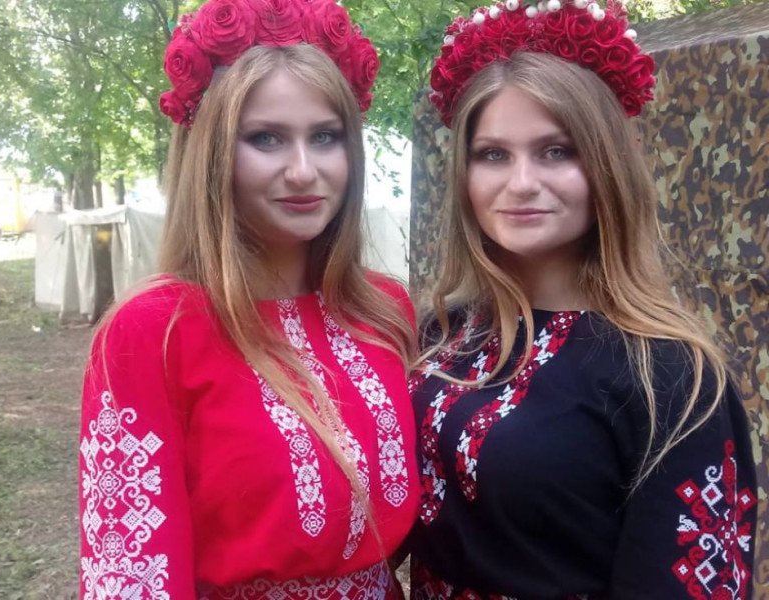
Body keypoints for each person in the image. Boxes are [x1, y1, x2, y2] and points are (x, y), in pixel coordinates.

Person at [408, 1, 757, 598]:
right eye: (493, 154)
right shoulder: (442, 333)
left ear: (607, 166)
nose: (521, 183)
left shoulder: (672, 376)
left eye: (557, 151)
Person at [78, 0, 420, 597]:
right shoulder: (152, 329)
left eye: (325, 137)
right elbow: (130, 572)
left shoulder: (384, 310)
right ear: (212, 153)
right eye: (266, 138)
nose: (303, 170)